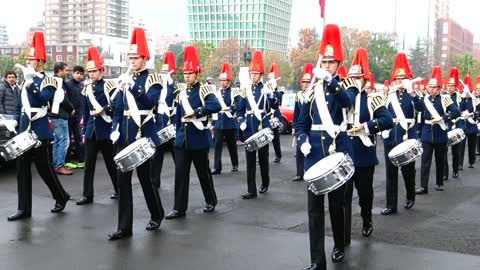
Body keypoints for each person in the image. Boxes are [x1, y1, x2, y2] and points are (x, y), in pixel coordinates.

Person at [295, 24, 356, 269]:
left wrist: (331, 81)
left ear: (338, 65)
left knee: (337, 205)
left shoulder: (346, 84)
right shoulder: (310, 92)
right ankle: (316, 261)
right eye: (325, 62)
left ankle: (339, 244)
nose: (327, 65)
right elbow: (300, 124)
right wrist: (302, 142)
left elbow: (347, 101)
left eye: (332, 62)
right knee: (314, 211)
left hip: (337, 152)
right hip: (314, 157)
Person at [108, 28, 165, 240]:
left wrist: (133, 87)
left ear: (145, 58)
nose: (132, 60)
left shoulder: (154, 79)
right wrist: (114, 128)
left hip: (143, 134)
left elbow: (149, 102)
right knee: (122, 181)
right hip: (123, 136)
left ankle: (157, 214)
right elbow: (116, 108)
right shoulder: (123, 79)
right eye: (130, 57)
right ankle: (124, 227)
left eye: (136, 57)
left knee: (145, 179)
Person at [8, 32, 70, 221]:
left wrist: (32, 82)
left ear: (41, 62)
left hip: (40, 131)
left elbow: (43, 100)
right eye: (27, 58)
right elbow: (20, 106)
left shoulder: (49, 81)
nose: (28, 61)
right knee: (22, 171)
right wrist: (15, 120)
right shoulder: (23, 82)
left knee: (45, 170)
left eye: (31, 59)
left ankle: (61, 196)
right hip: (24, 131)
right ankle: (24, 209)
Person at [164, 45, 221, 219]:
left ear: (197, 74)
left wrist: (197, 112)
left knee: (203, 173)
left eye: (190, 73)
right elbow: (177, 115)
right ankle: (179, 208)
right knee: (180, 175)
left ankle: (211, 200)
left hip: (198, 138)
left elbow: (215, 106)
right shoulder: (180, 92)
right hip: (182, 140)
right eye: (185, 73)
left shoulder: (204, 90)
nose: (187, 76)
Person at [343, 48, 393, 243]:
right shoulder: (343, 97)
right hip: (345, 153)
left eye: (358, 77)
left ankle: (367, 221)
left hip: (364, 154)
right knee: (343, 197)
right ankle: (344, 233)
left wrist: (365, 126)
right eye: (352, 77)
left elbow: (387, 120)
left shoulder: (372, 99)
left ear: (365, 79)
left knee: (365, 194)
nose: (355, 80)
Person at [381, 52, 423, 216]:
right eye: (397, 78)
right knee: (390, 173)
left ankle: (410, 195)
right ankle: (391, 205)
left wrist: (413, 93)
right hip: (391, 136)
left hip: (407, 136)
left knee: (408, 170)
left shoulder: (412, 95)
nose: (400, 81)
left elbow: (422, 109)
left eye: (403, 78)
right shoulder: (388, 96)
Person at [76, 47, 119, 205]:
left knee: (110, 164)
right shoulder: (86, 89)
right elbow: (85, 113)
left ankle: (119, 189)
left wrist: (104, 109)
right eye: (90, 71)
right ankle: (87, 195)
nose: (92, 74)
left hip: (106, 130)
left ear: (101, 70)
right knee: (89, 166)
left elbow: (117, 106)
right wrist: (84, 132)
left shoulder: (109, 86)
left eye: (94, 71)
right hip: (91, 132)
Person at [236, 50, 279, 199]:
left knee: (263, 158)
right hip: (249, 127)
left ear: (261, 74)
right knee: (249, 160)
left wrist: (272, 95)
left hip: (262, 127)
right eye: (251, 73)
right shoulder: (245, 90)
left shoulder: (265, 89)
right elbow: (240, 110)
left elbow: (275, 107)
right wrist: (241, 121)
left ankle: (265, 182)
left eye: (255, 74)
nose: (253, 76)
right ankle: (251, 190)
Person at [416, 66, 460, 194]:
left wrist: (443, 118)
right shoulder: (426, 99)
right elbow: (419, 108)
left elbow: (456, 112)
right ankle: (423, 186)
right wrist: (414, 97)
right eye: (429, 87)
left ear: (439, 88)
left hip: (440, 133)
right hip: (427, 133)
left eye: (433, 87)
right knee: (425, 161)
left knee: (440, 160)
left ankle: (439, 182)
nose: (430, 89)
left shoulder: (445, 98)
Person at [151, 51, 178, 189]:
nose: (163, 74)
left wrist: (171, 82)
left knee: (177, 157)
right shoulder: (157, 87)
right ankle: (155, 183)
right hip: (159, 125)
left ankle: (181, 181)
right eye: (162, 72)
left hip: (172, 125)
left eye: (166, 72)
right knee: (157, 157)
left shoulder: (175, 87)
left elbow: (178, 96)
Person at [211, 62, 239, 175]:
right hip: (219, 123)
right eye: (221, 80)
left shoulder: (234, 92)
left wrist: (230, 108)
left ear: (229, 81)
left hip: (229, 122)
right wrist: (213, 123)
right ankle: (217, 167)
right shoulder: (217, 93)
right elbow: (214, 109)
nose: (222, 82)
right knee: (217, 146)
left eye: (224, 80)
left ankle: (235, 164)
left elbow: (238, 104)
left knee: (232, 145)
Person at [49, 62, 75, 175]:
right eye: (66, 70)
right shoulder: (58, 83)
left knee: (58, 141)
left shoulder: (53, 81)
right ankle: (59, 165)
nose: (67, 72)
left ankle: (56, 164)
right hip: (59, 115)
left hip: (55, 115)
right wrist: (71, 109)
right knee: (64, 141)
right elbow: (63, 99)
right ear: (59, 71)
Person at [291, 63, 313, 182]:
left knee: (312, 150)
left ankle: (310, 172)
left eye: (307, 82)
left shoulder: (315, 94)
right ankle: (299, 173)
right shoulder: (299, 95)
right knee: (299, 150)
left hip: (313, 126)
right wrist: (294, 126)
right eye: (303, 82)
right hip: (301, 126)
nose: (305, 84)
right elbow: (296, 112)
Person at [443, 67, 462, 179]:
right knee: (444, 150)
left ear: (455, 87)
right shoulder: (443, 97)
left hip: (457, 125)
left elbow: (462, 109)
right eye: (448, 86)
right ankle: (445, 172)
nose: (449, 88)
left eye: (451, 86)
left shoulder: (460, 97)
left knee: (456, 150)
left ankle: (455, 169)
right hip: (446, 125)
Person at [65, 65, 85, 169]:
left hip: (78, 116)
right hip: (69, 116)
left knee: (79, 139)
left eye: (81, 74)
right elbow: (65, 100)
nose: (79, 76)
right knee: (67, 139)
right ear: (73, 74)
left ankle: (81, 160)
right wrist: (70, 110)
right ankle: (67, 161)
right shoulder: (68, 85)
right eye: (77, 73)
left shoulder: (82, 85)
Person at [458, 75, 478, 169]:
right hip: (463, 124)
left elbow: (478, 111)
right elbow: (460, 109)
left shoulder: (475, 100)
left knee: (471, 145)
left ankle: (471, 161)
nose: (465, 93)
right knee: (461, 146)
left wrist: (472, 114)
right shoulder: (462, 99)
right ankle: (460, 164)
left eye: (467, 91)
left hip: (471, 125)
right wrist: (462, 99)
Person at [268, 63, 283, 163]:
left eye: (272, 78)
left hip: (274, 117)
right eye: (269, 78)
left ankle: (278, 155)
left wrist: (273, 90)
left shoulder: (278, 92)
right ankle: (262, 156)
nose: (270, 80)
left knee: (275, 138)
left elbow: (278, 102)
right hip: (266, 116)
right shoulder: (265, 89)